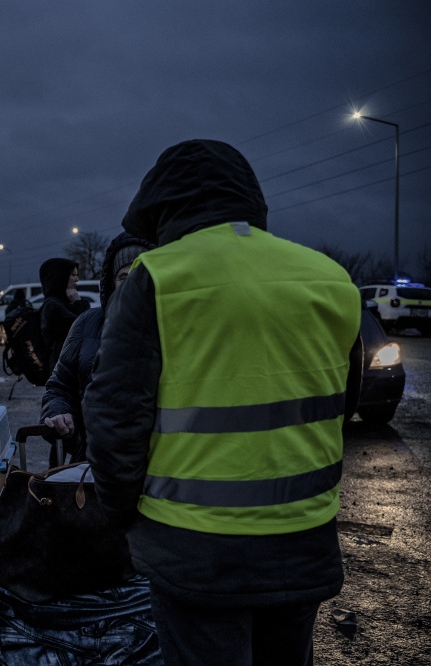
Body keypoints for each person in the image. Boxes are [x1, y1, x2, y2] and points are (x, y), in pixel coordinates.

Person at [82, 139, 362, 666]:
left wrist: (120, 514)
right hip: (303, 540)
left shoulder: (158, 277)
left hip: (196, 551)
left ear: (162, 206)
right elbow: (344, 403)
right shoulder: (330, 278)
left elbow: (116, 415)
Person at [41, 233, 154, 463]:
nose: (132, 283)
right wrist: (58, 411)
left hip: (157, 468)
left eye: (140, 273)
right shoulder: (87, 322)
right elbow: (60, 387)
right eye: (123, 276)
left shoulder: (174, 326)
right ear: (111, 281)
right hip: (91, 462)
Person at [39, 258, 90, 375]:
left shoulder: (62, 302)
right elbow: (83, 327)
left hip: (68, 365)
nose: (77, 279)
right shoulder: (52, 306)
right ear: (59, 277)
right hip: (62, 369)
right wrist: (79, 303)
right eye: (73, 275)